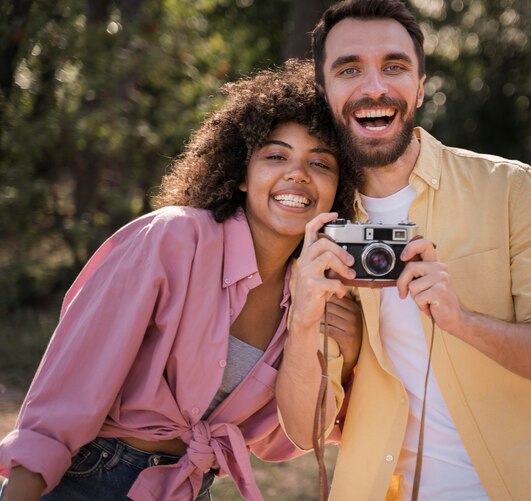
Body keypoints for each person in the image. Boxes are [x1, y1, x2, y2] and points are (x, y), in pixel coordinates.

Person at [276, 1, 531, 500]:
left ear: (419, 85)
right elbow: (301, 427)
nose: (374, 87)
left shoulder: (508, 188)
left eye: (394, 66)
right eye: (349, 69)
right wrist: (304, 318)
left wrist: (461, 320)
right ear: (323, 91)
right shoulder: (318, 225)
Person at [0, 59, 362, 501]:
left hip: (186, 487)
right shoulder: (172, 239)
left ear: (338, 187)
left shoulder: (316, 291)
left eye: (321, 163)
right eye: (275, 155)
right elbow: (68, 389)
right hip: (89, 477)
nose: (298, 174)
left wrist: (328, 337)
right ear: (242, 173)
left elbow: (294, 436)